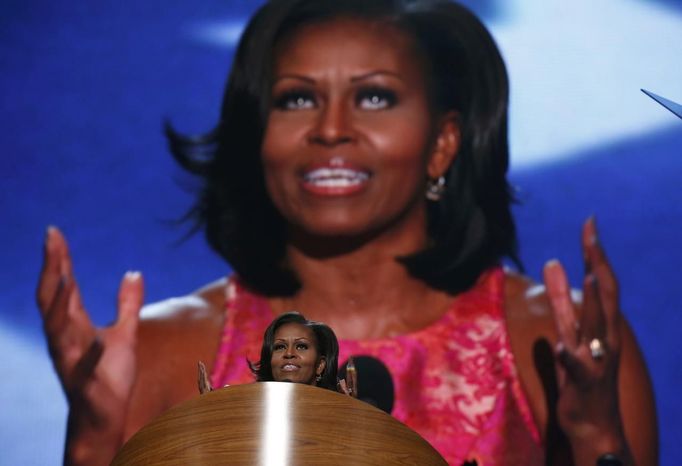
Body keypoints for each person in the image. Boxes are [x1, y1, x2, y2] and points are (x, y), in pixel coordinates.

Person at [36, 1, 657, 465]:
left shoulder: (558, 347)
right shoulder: (160, 352)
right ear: (259, 137)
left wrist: (597, 439)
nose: (331, 129)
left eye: (376, 98)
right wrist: (92, 441)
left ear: (444, 143)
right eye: (297, 101)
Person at [197, 311, 355, 394]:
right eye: (279, 347)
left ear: (320, 365)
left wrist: (351, 416)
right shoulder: (246, 410)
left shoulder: (336, 415)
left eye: (301, 346)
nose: (289, 353)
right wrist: (213, 413)